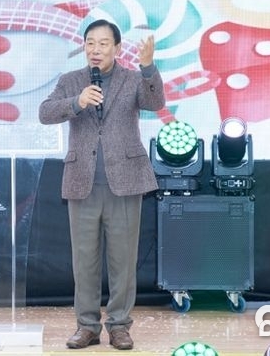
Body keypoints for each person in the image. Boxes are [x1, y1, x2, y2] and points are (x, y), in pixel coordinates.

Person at [38, 19, 165, 350]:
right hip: (82, 182)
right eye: (90, 43)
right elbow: (45, 113)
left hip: (125, 182)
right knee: (85, 262)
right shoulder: (71, 81)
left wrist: (148, 67)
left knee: (123, 261)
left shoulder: (132, 79)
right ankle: (87, 326)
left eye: (103, 43)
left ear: (117, 48)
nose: (95, 49)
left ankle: (120, 325)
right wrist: (76, 102)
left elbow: (155, 102)